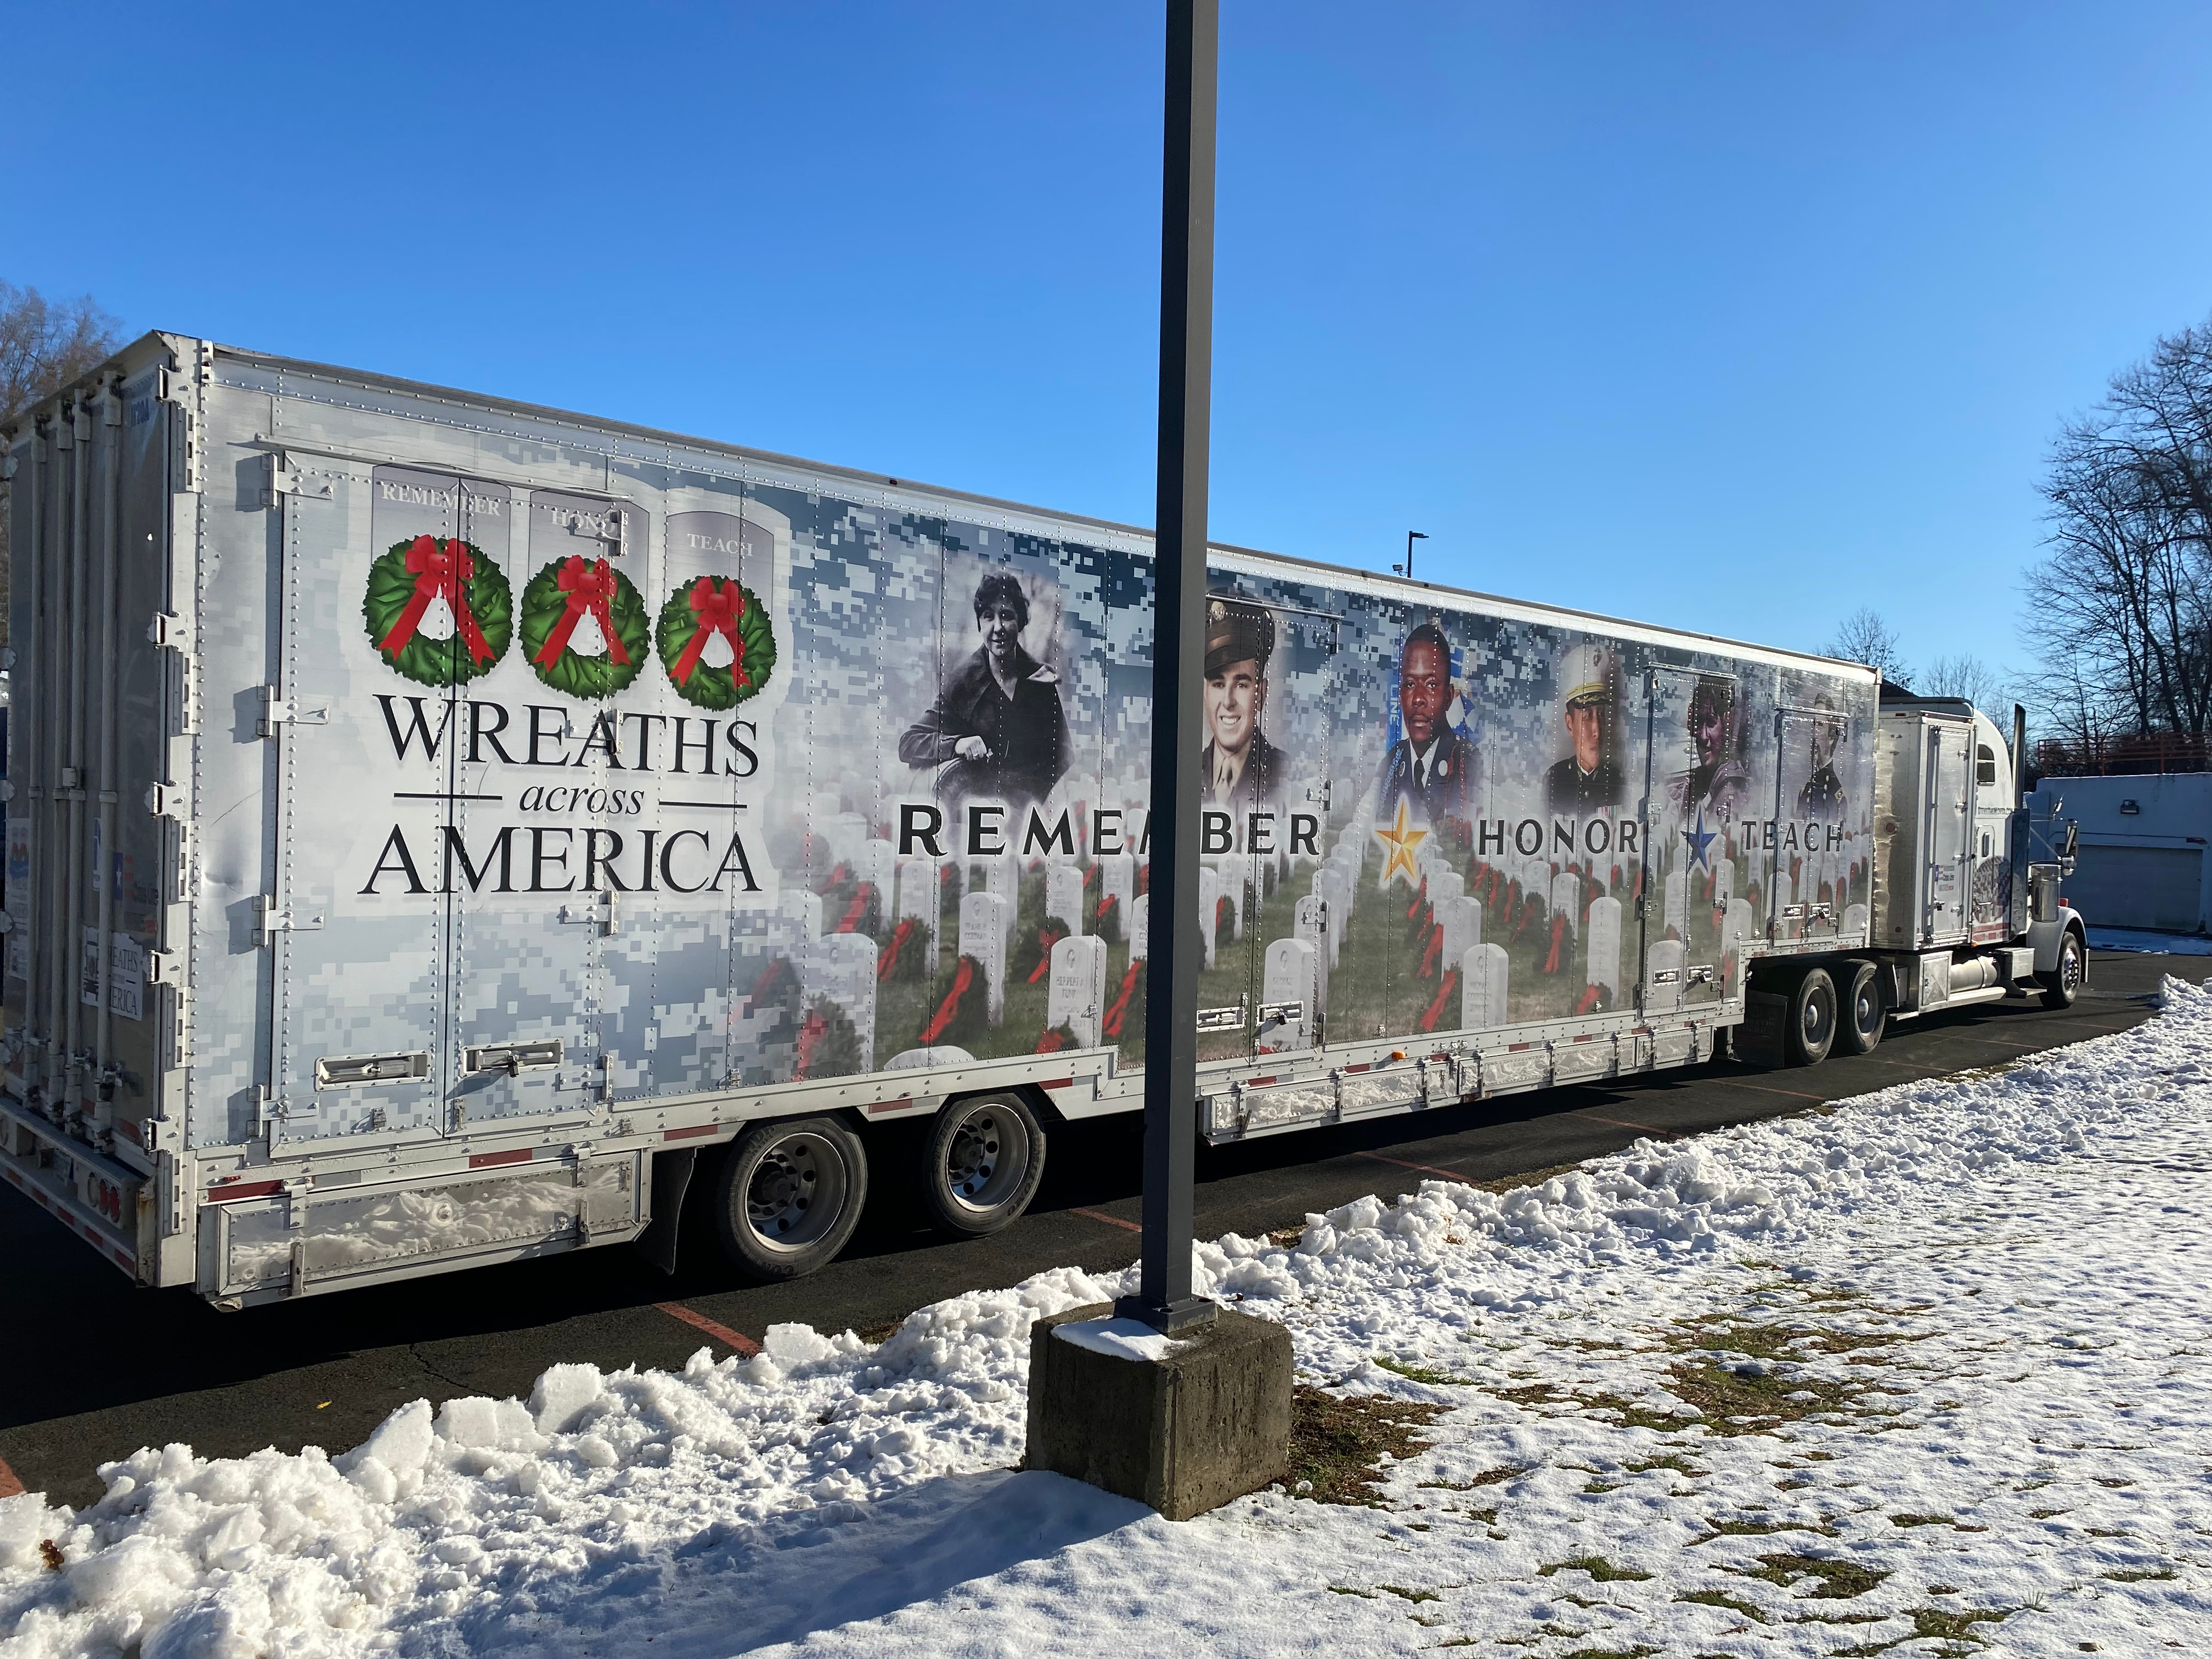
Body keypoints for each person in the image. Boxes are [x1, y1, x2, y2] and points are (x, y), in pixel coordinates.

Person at [898, 572, 1070, 810]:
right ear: (980, 623)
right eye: (989, 617)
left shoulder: (1041, 681)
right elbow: (909, 743)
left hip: (1031, 818)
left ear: (1020, 622)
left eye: (1007, 616)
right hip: (977, 820)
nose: (998, 627)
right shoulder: (963, 684)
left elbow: (1063, 760)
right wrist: (957, 744)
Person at [1376, 621, 1480, 828]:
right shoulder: (1390, 765)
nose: (1418, 699)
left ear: (1449, 696)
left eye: (1431, 685)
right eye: (1410, 684)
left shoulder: (1471, 766)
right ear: (1401, 695)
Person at [1199, 599, 1283, 817]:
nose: (1228, 701)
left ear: (1261, 695)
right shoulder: (1183, 772)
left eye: (1241, 685)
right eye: (1218, 684)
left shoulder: (1286, 773)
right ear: (1205, 693)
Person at [1544, 642, 1623, 813]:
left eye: (1601, 714)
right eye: (1587, 716)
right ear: (1570, 724)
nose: (1597, 731)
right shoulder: (1554, 781)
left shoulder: (1618, 782)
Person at [1666, 673, 1753, 823]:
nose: (1704, 736)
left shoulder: (1731, 788)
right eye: (1699, 722)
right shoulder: (1699, 781)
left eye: (1711, 723)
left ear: (1726, 725)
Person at [1797, 695, 1847, 822]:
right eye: (1813, 725)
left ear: (1831, 738)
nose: (1813, 733)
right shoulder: (1806, 788)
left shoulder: (1835, 791)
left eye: (1819, 726)